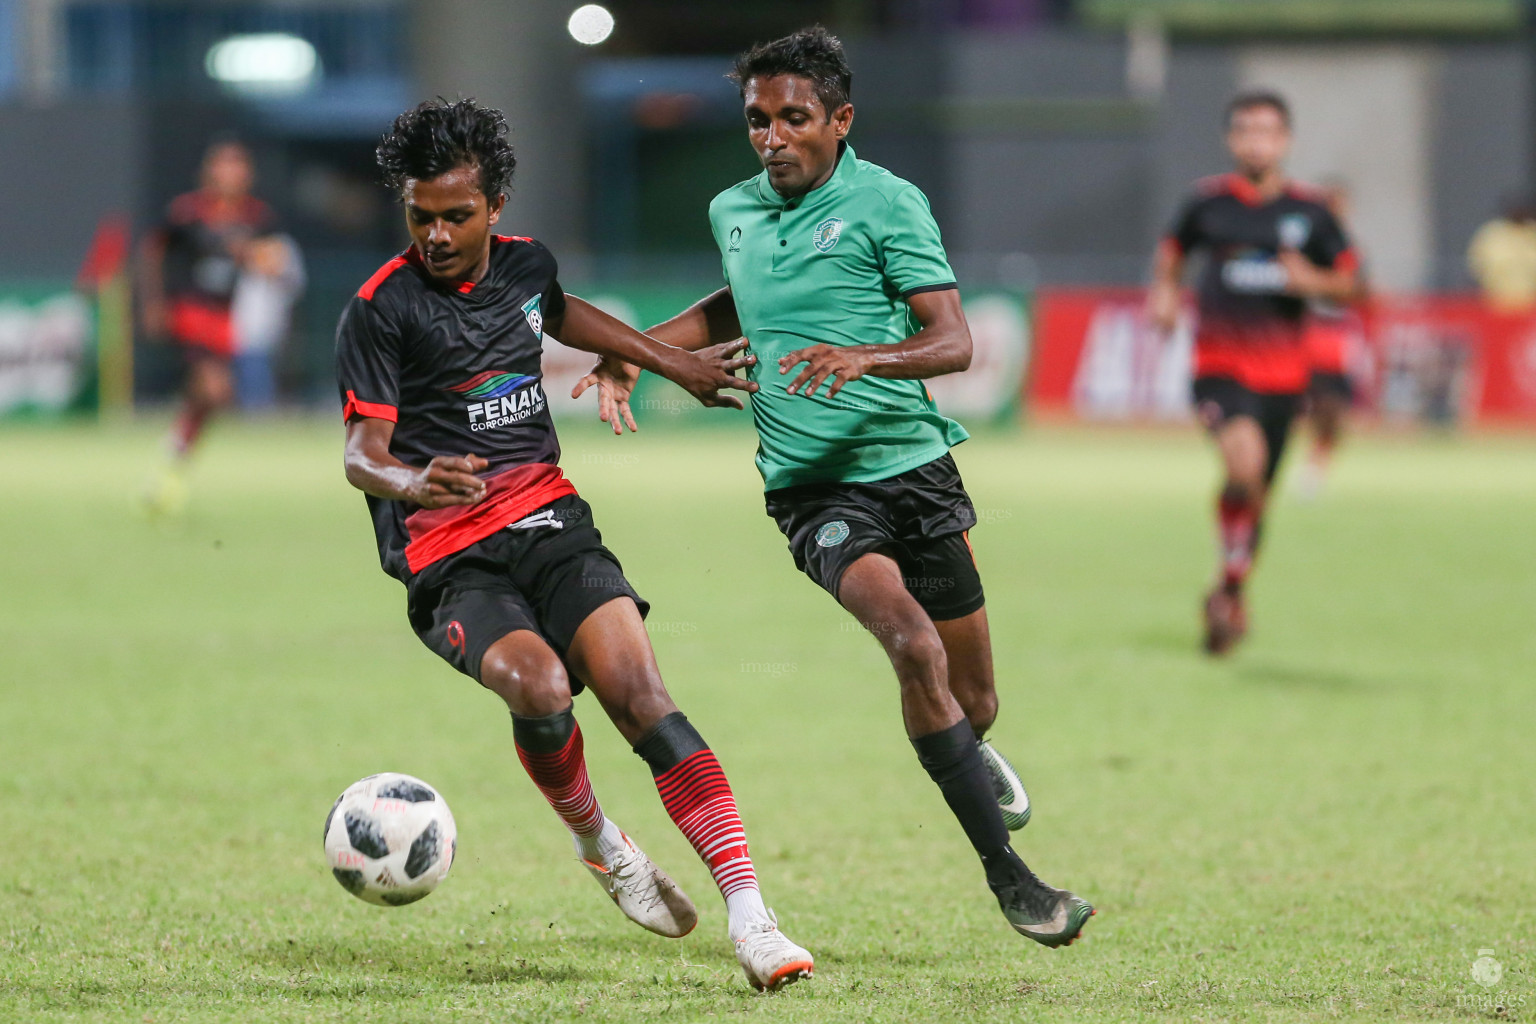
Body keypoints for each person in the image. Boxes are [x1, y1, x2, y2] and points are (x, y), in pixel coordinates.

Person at [574, 27, 1093, 949]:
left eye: (794, 118)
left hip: (916, 471)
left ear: (840, 120)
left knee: (974, 704)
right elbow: (738, 301)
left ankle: (970, 758)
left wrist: (866, 357)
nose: (773, 136)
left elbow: (953, 341)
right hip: (815, 492)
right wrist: (634, 353)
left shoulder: (888, 202)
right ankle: (1014, 883)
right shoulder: (732, 208)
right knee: (912, 646)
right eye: (757, 120)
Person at [335, 98, 813, 992]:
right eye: (420, 216)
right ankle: (603, 843)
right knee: (541, 687)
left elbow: (560, 312)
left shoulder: (528, 269)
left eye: (456, 215)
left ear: (497, 209)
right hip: (448, 553)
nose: (436, 234)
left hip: (549, 516)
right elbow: (362, 455)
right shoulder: (379, 309)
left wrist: (672, 362)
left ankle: (753, 917)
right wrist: (413, 480)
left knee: (641, 693)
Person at [1146, 91, 1358, 653]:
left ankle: (1230, 590)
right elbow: (1172, 252)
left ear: (1285, 140)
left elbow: (1353, 282)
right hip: (1219, 366)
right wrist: (1164, 294)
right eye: (1245, 130)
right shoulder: (1208, 204)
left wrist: (1312, 282)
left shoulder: (1312, 214)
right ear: (1230, 139)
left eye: (1267, 131)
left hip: (1286, 380)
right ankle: (1231, 590)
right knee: (1246, 467)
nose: (1256, 141)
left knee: (1257, 492)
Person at [138, 137, 286, 512]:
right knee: (216, 388)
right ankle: (176, 449)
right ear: (209, 171)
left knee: (208, 399)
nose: (231, 173)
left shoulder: (257, 217)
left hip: (223, 318)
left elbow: (275, 262)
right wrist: (153, 302)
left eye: (238, 166)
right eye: (223, 165)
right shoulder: (188, 212)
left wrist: (254, 257)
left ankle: (174, 449)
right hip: (189, 312)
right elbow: (153, 249)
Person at [1296, 180, 1367, 500]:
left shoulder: (1350, 249)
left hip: (1338, 334)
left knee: (1333, 408)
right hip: (1305, 331)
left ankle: (1317, 464)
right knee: (1302, 401)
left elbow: (1360, 289)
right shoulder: (1302, 246)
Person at [231, 232, 306, 409]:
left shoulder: (283, 246)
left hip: (267, 320)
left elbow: (288, 279)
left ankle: (260, 407)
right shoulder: (247, 258)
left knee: (258, 362)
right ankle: (254, 406)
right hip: (245, 323)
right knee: (250, 363)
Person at [1467, 195, 1536, 313]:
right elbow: (1476, 266)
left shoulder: (1532, 232)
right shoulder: (1492, 234)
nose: (1518, 211)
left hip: (1531, 306)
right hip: (1496, 304)